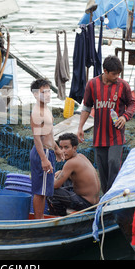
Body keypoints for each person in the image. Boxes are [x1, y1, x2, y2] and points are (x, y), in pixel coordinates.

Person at [77, 55, 135, 194]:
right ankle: (106, 196)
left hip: (116, 135)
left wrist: (125, 116)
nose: (117, 76)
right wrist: (80, 127)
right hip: (99, 135)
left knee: (114, 163)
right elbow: (86, 106)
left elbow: (132, 103)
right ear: (105, 71)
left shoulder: (123, 85)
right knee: (102, 168)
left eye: (118, 74)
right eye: (114, 74)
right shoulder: (92, 84)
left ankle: (113, 194)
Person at [30, 78, 63, 219]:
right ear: (36, 95)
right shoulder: (37, 112)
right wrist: (43, 159)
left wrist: (56, 148)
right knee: (39, 191)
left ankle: (40, 218)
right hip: (41, 152)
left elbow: (49, 133)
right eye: (44, 92)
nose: (48, 95)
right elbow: (37, 138)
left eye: (49, 91)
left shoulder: (46, 109)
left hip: (48, 151)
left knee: (44, 191)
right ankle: (38, 221)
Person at [47, 133, 100, 216]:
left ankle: (60, 216)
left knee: (49, 189)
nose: (63, 151)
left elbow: (55, 185)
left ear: (74, 148)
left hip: (86, 205)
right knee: (63, 179)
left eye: (66, 147)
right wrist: (61, 172)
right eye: (60, 147)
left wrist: (48, 176)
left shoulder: (71, 163)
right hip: (95, 203)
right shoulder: (81, 156)